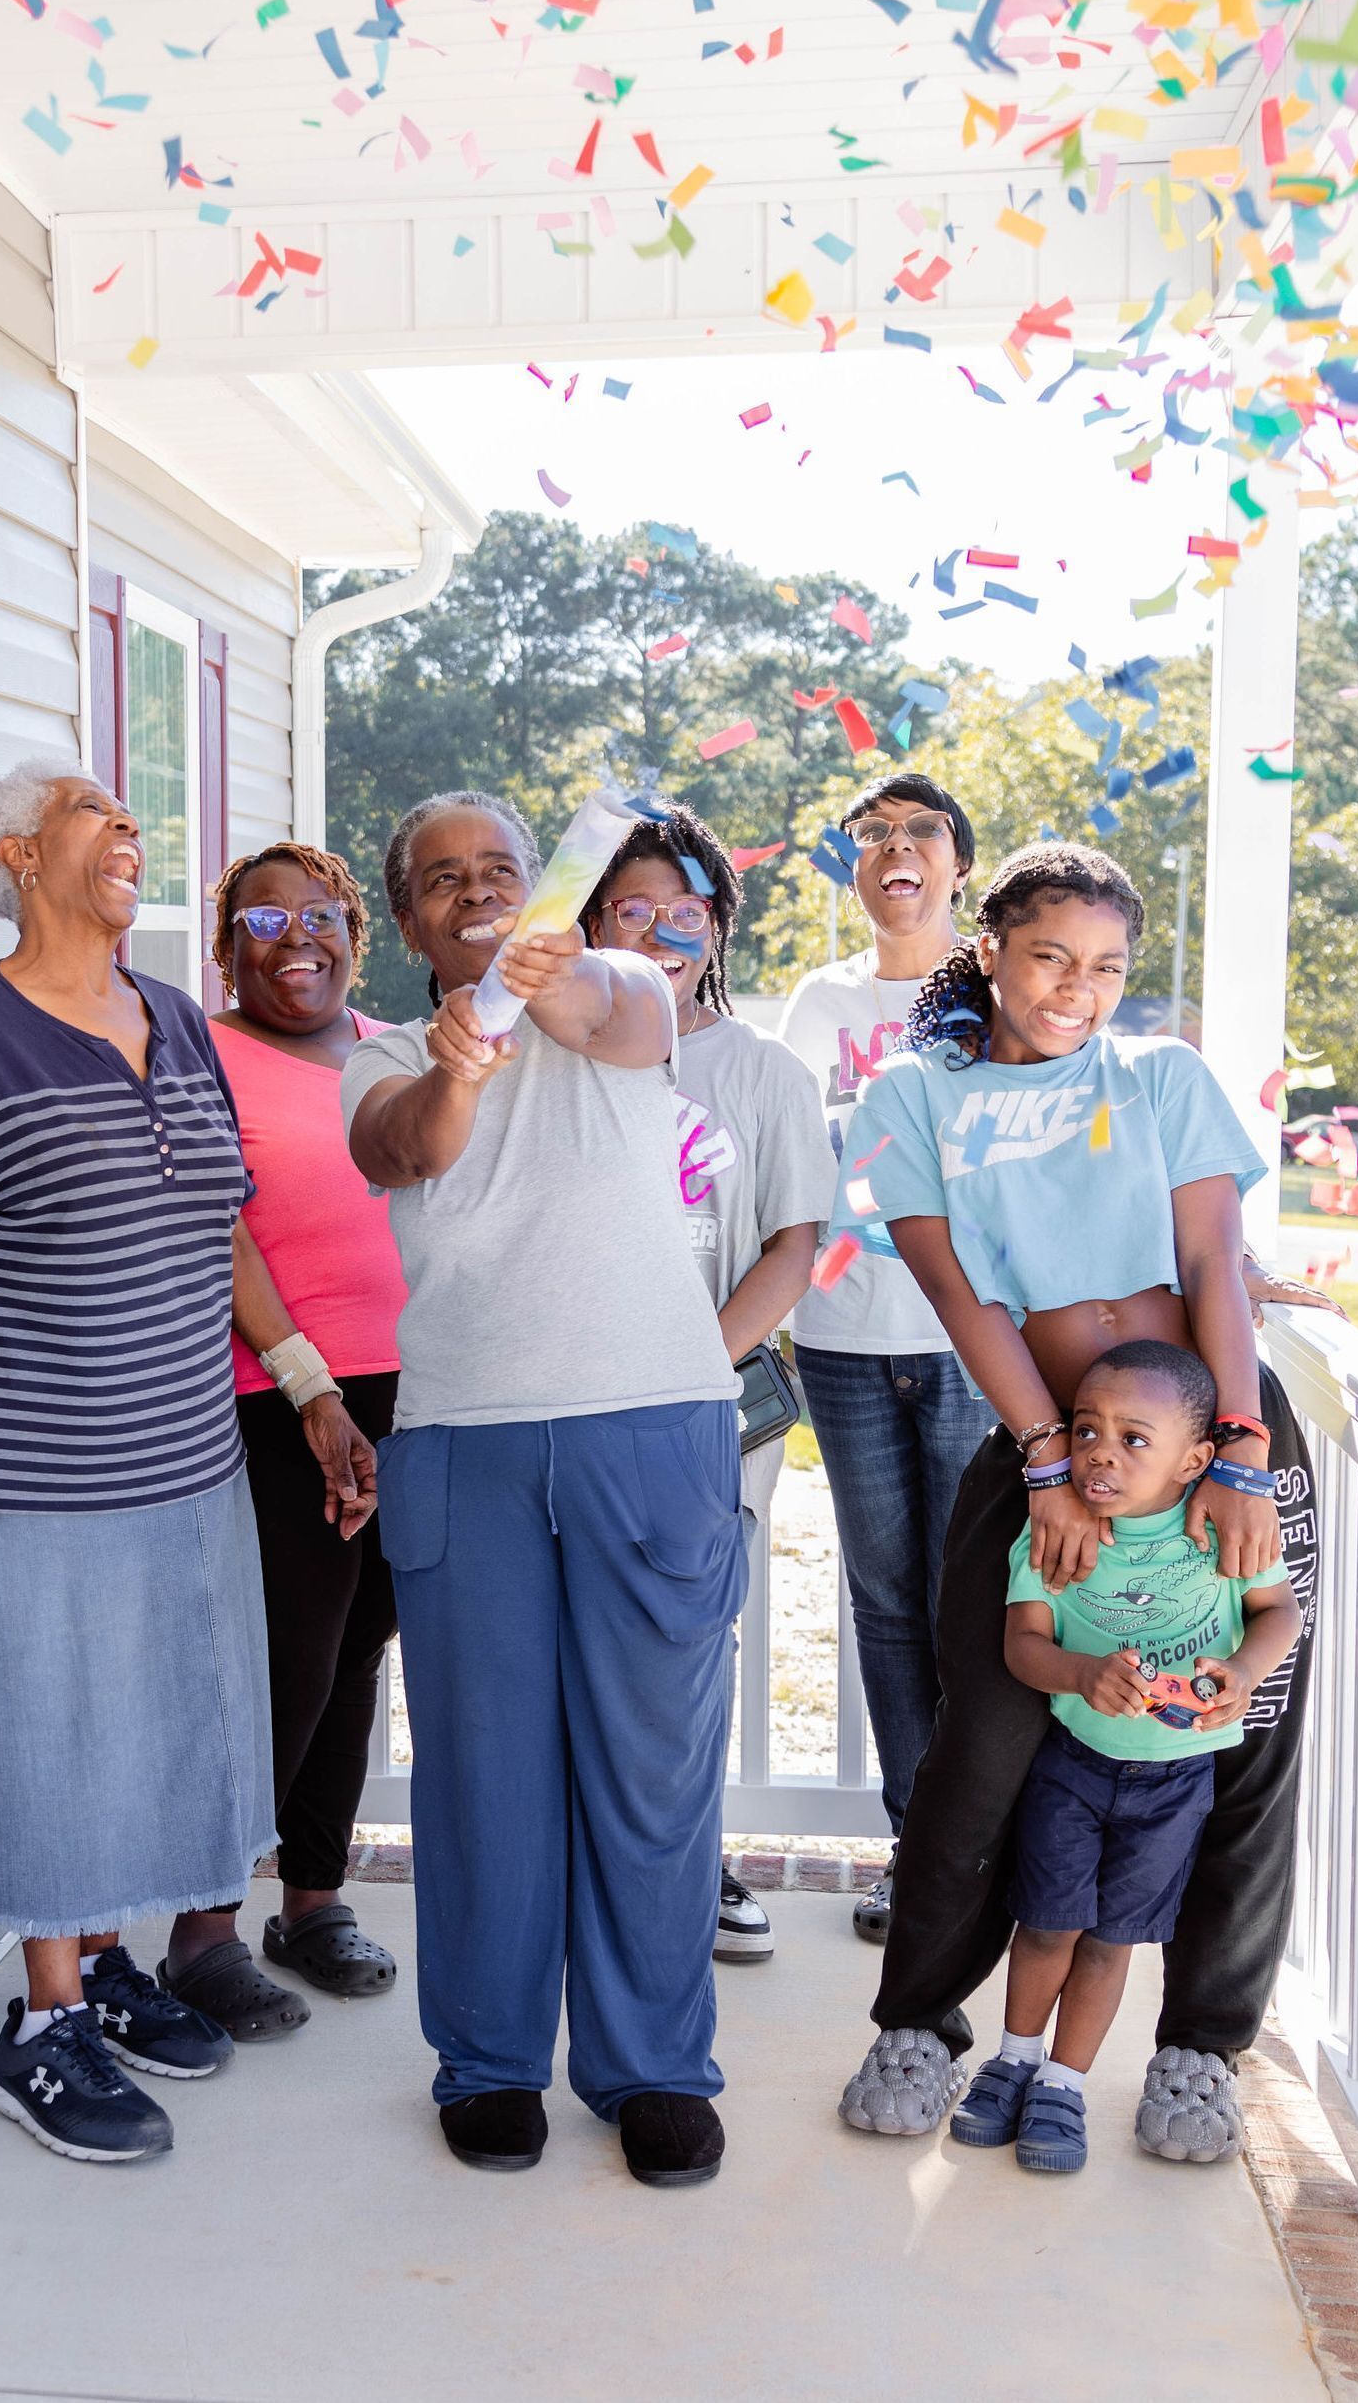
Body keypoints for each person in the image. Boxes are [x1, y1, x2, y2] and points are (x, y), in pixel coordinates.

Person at [830, 841, 1321, 2168]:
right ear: (990, 947)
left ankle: (1198, 2052)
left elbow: (1215, 1256)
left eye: (1106, 966)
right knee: (980, 1743)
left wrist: (1239, 1449)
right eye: (1050, 955)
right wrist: (1048, 1459)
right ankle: (922, 2022)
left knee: (1241, 1730)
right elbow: (960, 1297)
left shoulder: (1160, 1076)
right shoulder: (911, 1095)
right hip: (1055, 1444)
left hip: (1218, 1433)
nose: (1076, 988)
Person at [0, 762, 271, 2168]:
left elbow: (222, 1224)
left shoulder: (172, 1017)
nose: (132, 832)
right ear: (25, 858)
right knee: (42, 1731)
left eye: (133, 817)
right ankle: (39, 2024)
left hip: (181, 1459)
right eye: (100, 813)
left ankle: (100, 1964)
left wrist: (315, 1387)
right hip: (24, 1466)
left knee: (151, 1724)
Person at [344, 791, 745, 2189]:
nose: (470, 888)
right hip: (468, 1440)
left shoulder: (625, 985)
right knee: (481, 1771)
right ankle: (490, 2058)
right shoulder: (382, 1053)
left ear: (543, 887)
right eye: (440, 876)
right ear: (404, 920)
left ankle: (650, 2068)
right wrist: (461, 1060)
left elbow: (613, 1016)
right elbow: (402, 1145)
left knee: (652, 1767)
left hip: (654, 1426)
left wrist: (547, 968)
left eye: (497, 869)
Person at [150, 841, 410, 2043]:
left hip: (416, 1387)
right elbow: (213, 1225)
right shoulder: (198, 1051)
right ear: (225, 947)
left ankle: (312, 1904)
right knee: (280, 1660)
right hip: (275, 1392)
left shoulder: (399, 1053)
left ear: (357, 933)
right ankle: (202, 1932)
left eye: (320, 916)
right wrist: (310, 1388)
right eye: (262, 922)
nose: (295, 939)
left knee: (358, 1652)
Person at [576, 803, 829, 1966]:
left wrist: (697, 1367)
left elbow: (792, 1244)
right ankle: (584, 1859)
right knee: (571, 1633)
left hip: (709, 1409)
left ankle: (691, 1859)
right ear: (590, 918)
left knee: (689, 1642)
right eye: (634, 907)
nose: (664, 928)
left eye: (687, 909)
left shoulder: (764, 1071)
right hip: (562, 1395)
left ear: (719, 926)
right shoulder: (557, 1048)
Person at [947, 1341, 1298, 2176]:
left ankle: (1064, 2086)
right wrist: (1081, 1674)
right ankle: (1014, 2063)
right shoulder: (1058, 1533)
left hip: (1175, 1784)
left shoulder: (1218, 1532)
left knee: (1109, 1942)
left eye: (1134, 1439)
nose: (1100, 1450)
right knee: (1045, 1927)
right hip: (1072, 1769)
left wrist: (1242, 1671)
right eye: (1084, 1428)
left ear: (1196, 1460)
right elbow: (1024, 1644)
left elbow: (1278, 1609)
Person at [775, 769, 999, 1945]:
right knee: (883, 1599)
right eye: (871, 836)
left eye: (919, 832)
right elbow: (787, 1152)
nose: (894, 849)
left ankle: (975, 1848)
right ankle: (917, 1850)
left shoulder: (1000, 990)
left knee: (967, 1599)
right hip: (845, 1341)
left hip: (970, 1336)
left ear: (958, 864)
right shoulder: (823, 1000)